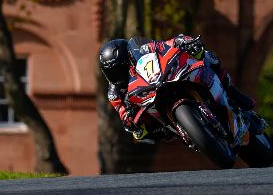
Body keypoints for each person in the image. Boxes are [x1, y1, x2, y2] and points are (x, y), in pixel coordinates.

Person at [98, 34, 256, 143]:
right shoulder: (114, 93)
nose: (117, 75)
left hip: (164, 78)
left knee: (205, 55)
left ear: (127, 59)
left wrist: (184, 41)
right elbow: (122, 113)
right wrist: (129, 120)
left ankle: (234, 93)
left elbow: (165, 44)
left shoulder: (141, 51)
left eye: (119, 69)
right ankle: (184, 131)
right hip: (150, 105)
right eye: (112, 72)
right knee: (140, 135)